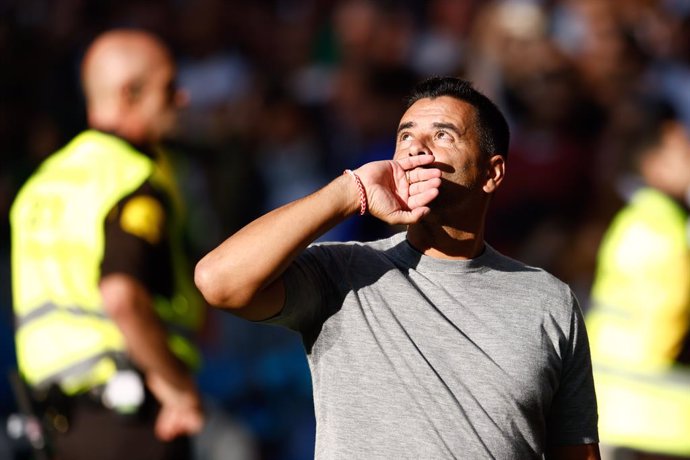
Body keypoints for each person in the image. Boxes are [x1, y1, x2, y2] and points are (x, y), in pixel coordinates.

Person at [195, 76, 600, 459]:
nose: (416, 147)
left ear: (492, 173)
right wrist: (349, 191)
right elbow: (219, 281)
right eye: (405, 135)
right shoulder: (348, 270)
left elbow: (577, 449)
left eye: (442, 135)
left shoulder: (547, 300)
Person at [10, 29, 204, 460]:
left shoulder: (41, 186)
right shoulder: (131, 179)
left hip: (56, 428)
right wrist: (178, 389)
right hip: (131, 419)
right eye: (169, 87)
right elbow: (121, 297)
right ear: (129, 94)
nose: (182, 99)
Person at [586, 97, 690, 459]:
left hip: (622, 414)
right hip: (664, 422)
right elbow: (669, 321)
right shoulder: (667, 231)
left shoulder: (635, 221)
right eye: (682, 151)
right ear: (654, 165)